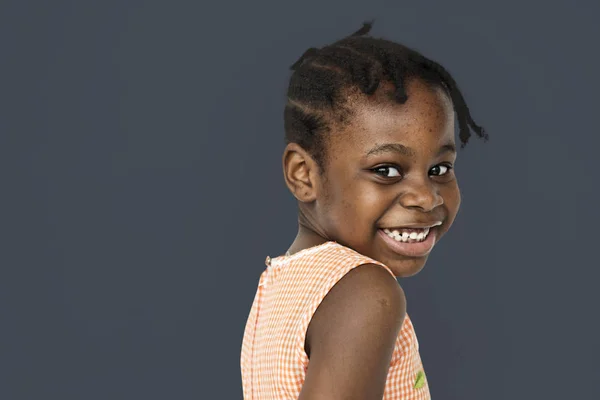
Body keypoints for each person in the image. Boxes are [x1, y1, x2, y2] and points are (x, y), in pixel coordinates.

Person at [240, 21, 488, 399]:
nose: (426, 197)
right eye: (386, 170)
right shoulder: (364, 291)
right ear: (303, 174)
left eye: (439, 169)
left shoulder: (281, 288)